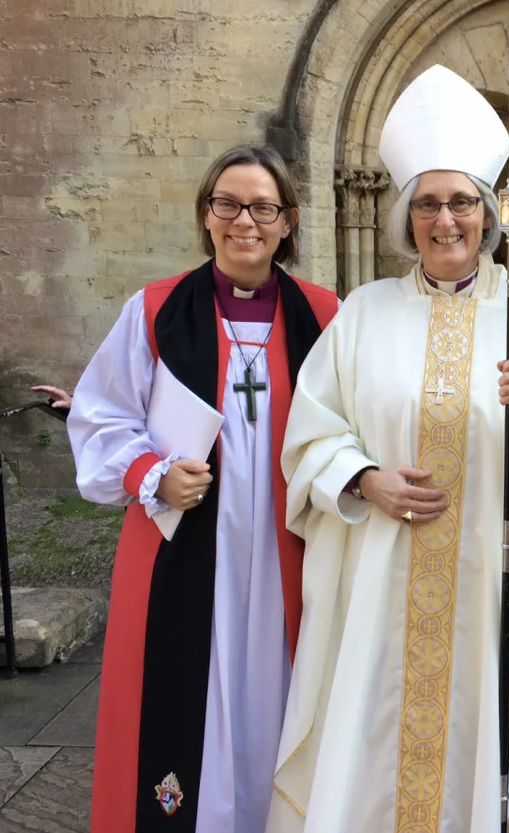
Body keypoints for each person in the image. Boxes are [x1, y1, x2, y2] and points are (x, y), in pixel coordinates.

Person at [267, 65, 509, 833]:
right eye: (426, 204)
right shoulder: (363, 313)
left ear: (488, 216)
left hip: (489, 581)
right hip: (379, 576)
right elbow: (313, 434)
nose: (444, 219)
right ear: (404, 216)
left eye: (460, 203)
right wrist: (363, 478)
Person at [68, 146, 339, 833]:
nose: (244, 220)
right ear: (206, 215)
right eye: (228, 203)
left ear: (288, 222)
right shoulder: (156, 309)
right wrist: (152, 473)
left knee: (282, 706)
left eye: (263, 207)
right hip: (184, 552)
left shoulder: (326, 315)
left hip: (291, 557)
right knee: (189, 712)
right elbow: (101, 416)